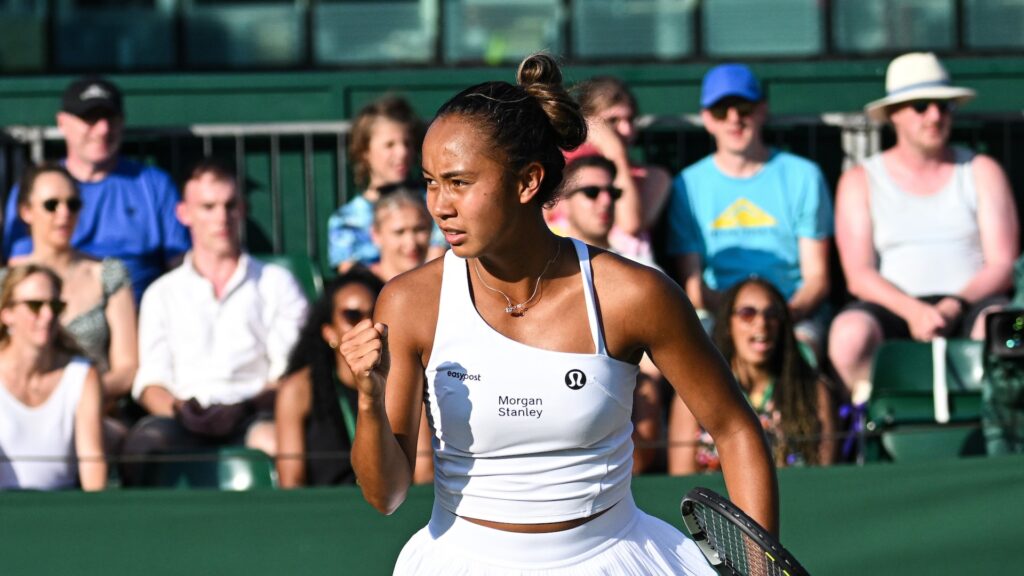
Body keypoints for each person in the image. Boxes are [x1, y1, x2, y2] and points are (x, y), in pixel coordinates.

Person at [341, 53, 777, 574]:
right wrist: (369, 398)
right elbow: (384, 495)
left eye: (458, 182)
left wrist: (759, 569)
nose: (438, 204)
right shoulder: (409, 302)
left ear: (527, 182)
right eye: (431, 181)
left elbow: (736, 432)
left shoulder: (634, 294)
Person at [829, 52, 1019, 398]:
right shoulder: (860, 180)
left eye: (944, 106)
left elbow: (1003, 264)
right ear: (894, 115)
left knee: (999, 326)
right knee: (847, 336)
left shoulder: (982, 170)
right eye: (921, 106)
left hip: (970, 306)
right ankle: (867, 429)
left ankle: (995, 427)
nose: (935, 116)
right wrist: (914, 312)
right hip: (891, 311)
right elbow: (859, 275)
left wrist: (953, 306)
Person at [120, 159, 307, 486]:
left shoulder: (277, 282)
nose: (221, 217)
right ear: (184, 213)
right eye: (208, 206)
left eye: (229, 205)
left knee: (287, 446)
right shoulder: (161, 293)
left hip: (256, 415)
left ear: (243, 209)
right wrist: (181, 411)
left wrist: (245, 407)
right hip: (180, 418)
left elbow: (289, 377)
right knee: (140, 447)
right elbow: (151, 382)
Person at [666, 63, 834, 358]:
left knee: (804, 356)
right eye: (722, 110)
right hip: (719, 315)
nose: (734, 119)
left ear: (761, 110)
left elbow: (817, 278)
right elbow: (695, 289)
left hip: (793, 313)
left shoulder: (804, 176)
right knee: (691, 357)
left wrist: (773, 318)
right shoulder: (687, 186)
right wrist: (745, 321)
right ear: (707, 119)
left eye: (743, 107)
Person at [2, 76, 190, 302]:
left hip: (138, 312)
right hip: (52, 315)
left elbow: (180, 266)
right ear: (62, 123)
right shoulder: (36, 186)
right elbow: (18, 266)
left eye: (110, 118)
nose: (102, 129)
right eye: (90, 118)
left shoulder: (155, 185)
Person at [559, 154, 662, 473]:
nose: (605, 201)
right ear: (563, 200)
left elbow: (655, 367)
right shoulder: (543, 269)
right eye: (591, 192)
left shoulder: (640, 271)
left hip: (625, 385)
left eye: (612, 193)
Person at [668, 278, 836, 475]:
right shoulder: (694, 393)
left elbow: (824, 477)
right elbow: (680, 478)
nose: (761, 323)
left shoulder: (813, 391)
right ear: (728, 325)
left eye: (772, 314)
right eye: (747, 314)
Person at [7, 163, 137, 412]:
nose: (64, 213)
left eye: (73, 204)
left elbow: (127, 369)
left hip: (98, 412)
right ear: (26, 211)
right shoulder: (8, 282)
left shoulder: (109, 274)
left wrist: (76, 398)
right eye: (51, 204)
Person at [275, 268, 384, 488]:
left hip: (392, 512)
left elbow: (423, 474)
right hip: (324, 515)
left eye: (374, 314)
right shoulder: (298, 390)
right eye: (352, 316)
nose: (366, 325)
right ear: (329, 333)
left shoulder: (402, 381)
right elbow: (291, 483)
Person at [0, 264, 105, 490]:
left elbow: (92, 461)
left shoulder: (82, 375)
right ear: (7, 314)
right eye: (35, 306)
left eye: (56, 306)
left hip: (61, 515)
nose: (47, 315)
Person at [326, 95, 446, 273]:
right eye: (389, 145)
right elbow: (352, 279)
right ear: (365, 151)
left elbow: (438, 265)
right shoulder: (346, 220)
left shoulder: (435, 202)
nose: (402, 152)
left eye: (407, 143)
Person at [368, 185, 434, 283]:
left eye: (419, 229)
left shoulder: (445, 285)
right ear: (376, 235)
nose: (411, 243)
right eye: (399, 232)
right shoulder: (363, 291)